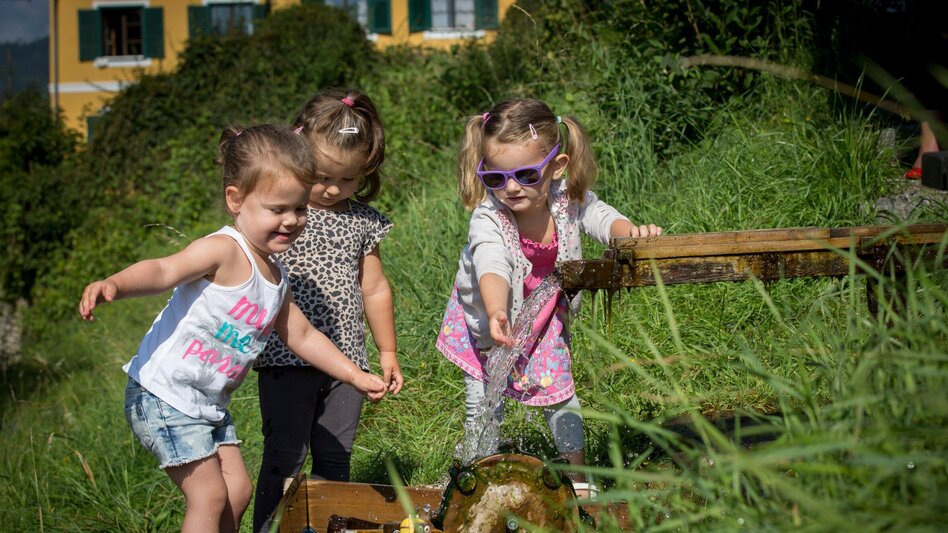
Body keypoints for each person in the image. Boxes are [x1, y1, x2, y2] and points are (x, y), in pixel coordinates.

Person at [77, 124, 387, 533]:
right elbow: (165, 269)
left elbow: (303, 336)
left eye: (299, 209)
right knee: (209, 497)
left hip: (206, 404)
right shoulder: (224, 250)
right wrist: (114, 284)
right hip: (165, 394)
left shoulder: (277, 278)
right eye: (277, 210)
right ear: (236, 201)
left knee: (238, 491)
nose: (291, 221)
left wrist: (354, 374)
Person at [436, 98, 662, 498]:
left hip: (542, 320)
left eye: (524, 174)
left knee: (561, 394)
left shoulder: (566, 199)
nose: (509, 188)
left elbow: (601, 217)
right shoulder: (489, 217)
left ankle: (577, 477)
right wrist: (494, 311)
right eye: (495, 177)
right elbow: (492, 263)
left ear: (557, 167)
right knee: (483, 404)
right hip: (490, 321)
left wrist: (630, 235)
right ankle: (478, 475)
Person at [251, 89, 403, 533]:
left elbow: (373, 288)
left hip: (347, 364)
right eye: (321, 176)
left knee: (335, 455)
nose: (334, 189)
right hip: (285, 357)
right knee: (285, 456)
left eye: (349, 179)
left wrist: (387, 352)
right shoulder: (282, 213)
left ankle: (329, 528)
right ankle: (273, 528)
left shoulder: (362, 220)